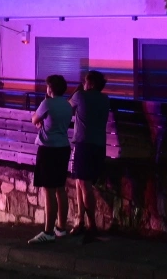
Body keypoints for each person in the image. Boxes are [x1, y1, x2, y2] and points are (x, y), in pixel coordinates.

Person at [27, 74, 74, 244]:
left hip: (48, 149)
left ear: (50, 88)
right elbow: (53, 123)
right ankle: (61, 228)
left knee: (49, 190)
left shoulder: (47, 103)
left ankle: (48, 231)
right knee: (60, 188)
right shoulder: (68, 105)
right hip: (63, 147)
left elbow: (34, 119)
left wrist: (40, 119)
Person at [70, 70, 110, 243]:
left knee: (84, 184)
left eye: (85, 81)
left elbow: (66, 108)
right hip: (99, 145)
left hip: (84, 145)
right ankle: (80, 221)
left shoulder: (80, 96)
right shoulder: (105, 99)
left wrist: (78, 91)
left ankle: (91, 225)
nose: (83, 83)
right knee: (80, 182)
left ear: (91, 83)